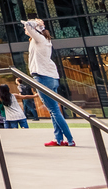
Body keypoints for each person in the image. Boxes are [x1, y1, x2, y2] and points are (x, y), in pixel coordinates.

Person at [23, 18, 75, 147]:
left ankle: (70, 140)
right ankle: (58, 139)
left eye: (26, 28)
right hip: (51, 78)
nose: (25, 29)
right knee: (53, 110)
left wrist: (37, 23)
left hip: (43, 78)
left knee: (54, 110)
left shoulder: (39, 39)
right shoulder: (43, 40)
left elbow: (29, 26)